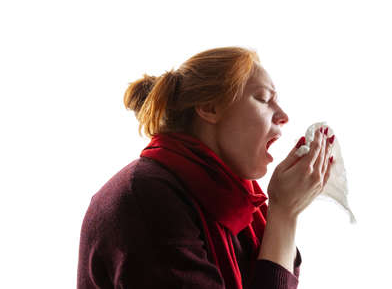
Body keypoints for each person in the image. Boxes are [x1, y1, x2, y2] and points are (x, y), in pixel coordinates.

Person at [77, 46, 335, 289]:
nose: (283, 115)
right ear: (209, 107)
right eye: (263, 98)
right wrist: (284, 214)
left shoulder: (236, 204)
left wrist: (283, 216)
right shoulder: (147, 196)